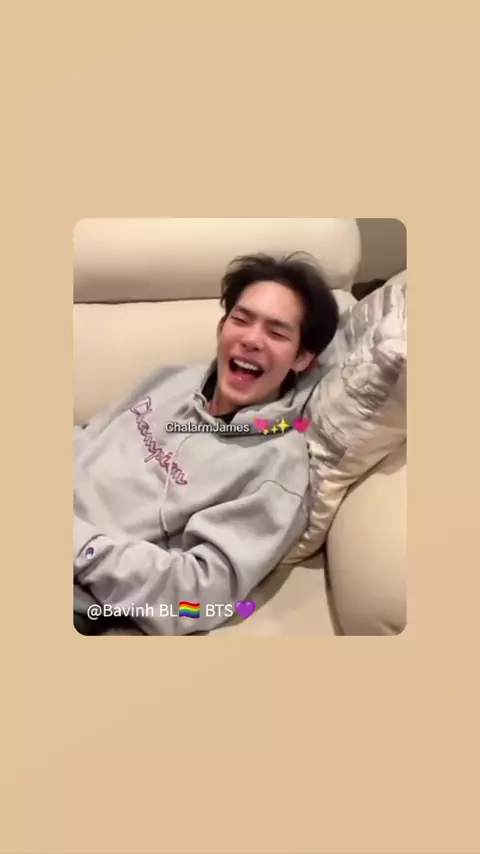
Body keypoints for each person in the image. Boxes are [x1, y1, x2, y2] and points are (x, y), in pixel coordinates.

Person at [74, 252, 339, 635]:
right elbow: (88, 438)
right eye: (241, 320)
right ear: (221, 327)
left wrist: (79, 545)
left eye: (276, 333)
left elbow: (195, 597)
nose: (251, 339)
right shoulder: (172, 379)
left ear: (302, 358)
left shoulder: (278, 468)